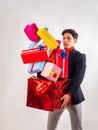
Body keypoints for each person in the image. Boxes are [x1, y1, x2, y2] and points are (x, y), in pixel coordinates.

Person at [46, 29, 86, 130]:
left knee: (77, 127)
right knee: (50, 126)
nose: (65, 40)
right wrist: (40, 77)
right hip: (57, 96)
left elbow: (79, 77)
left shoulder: (80, 57)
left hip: (73, 96)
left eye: (68, 38)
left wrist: (69, 94)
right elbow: (50, 73)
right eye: (64, 38)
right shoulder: (57, 54)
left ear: (75, 40)